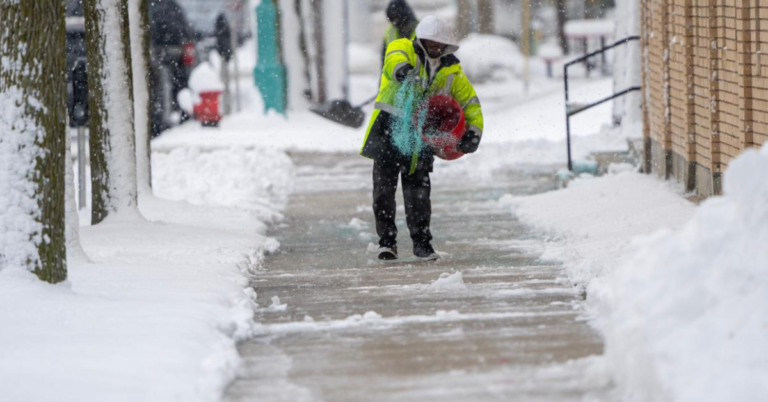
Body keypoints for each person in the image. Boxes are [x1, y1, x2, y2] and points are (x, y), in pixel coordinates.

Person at [360, 15, 484, 261]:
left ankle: (422, 244)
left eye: (439, 43)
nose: (435, 47)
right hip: (389, 129)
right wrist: (402, 70)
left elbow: (470, 102)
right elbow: (393, 59)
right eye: (430, 42)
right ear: (421, 40)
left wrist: (474, 133)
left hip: (423, 134)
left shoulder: (452, 70)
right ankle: (387, 243)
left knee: (418, 191)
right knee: (384, 190)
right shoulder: (403, 47)